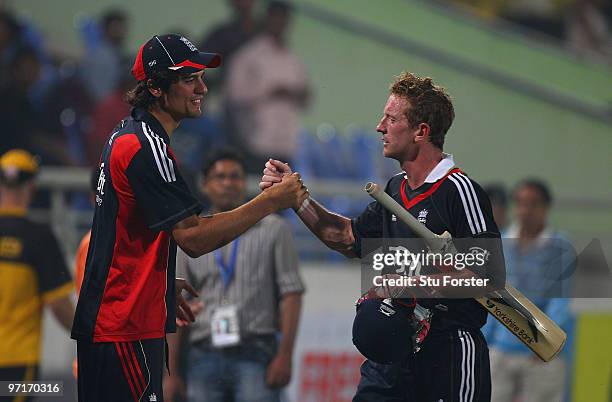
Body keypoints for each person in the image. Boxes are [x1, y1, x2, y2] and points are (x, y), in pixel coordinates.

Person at [70, 33, 307, 402]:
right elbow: (192, 238)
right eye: (188, 79)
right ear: (156, 88)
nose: (202, 88)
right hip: (123, 328)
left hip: (122, 323)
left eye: (200, 77)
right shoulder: (143, 145)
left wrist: (161, 285)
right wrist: (270, 202)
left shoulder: (135, 137)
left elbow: (129, 236)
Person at [261, 72, 505, 401]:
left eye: (391, 118)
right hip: (391, 352)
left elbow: (487, 277)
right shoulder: (394, 190)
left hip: (448, 352)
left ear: (421, 131)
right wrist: (297, 199)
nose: (379, 127)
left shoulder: (459, 191)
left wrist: (411, 283)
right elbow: (347, 237)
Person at [164, 148, 305, 402]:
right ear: (204, 184)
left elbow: (291, 294)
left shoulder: (275, 229)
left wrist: (284, 356)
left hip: (256, 351)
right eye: (220, 177)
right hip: (203, 353)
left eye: (235, 177)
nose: (228, 183)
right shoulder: (190, 235)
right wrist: (170, 373)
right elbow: (176, 304)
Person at [485, 179, 575, 402]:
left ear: (546, 208)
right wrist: (487, 341)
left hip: (542, 352)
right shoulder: (502, 242)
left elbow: (559, 300)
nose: (526, 211)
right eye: (521, 204)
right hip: (502, 348)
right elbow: (493, 296)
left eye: (533, 204)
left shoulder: (559, 245)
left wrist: (542, 341)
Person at [0, 149, 75, 399]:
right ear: (31, 185)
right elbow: (58, 305)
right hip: (17, 361)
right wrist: (89, 335)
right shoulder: (39, 238)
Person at [226, 0, 310, 173]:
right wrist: (269, 92)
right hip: (256, 143)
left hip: (286, 144)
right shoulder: (249, 55)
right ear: (267, 19)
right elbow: (233, 95)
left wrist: (298, 94)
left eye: (284, 19)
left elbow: (305, 98)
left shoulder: (292, 60)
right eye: (276, 18)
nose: (280, 24)